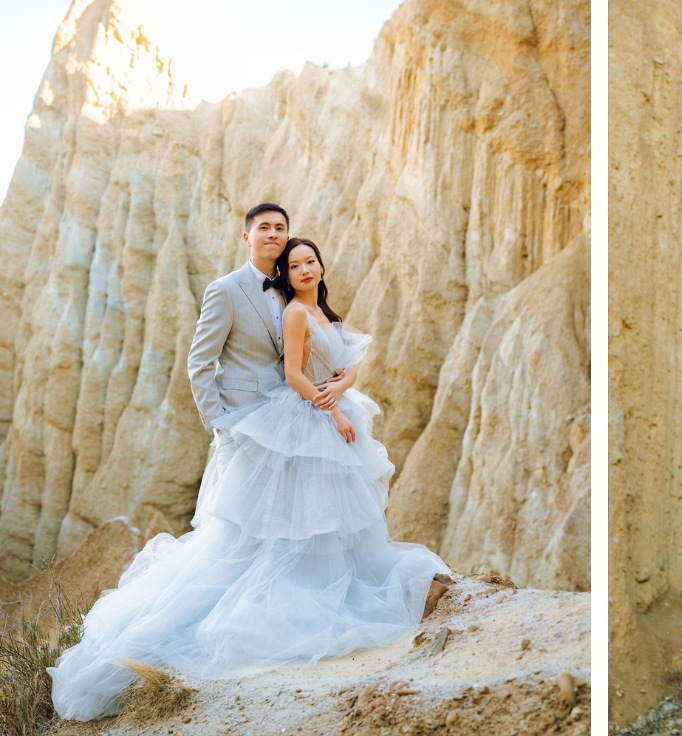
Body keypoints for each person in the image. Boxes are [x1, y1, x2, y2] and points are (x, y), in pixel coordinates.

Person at [48, 215, 448, 721]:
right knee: (243, 531)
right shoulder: (226, 289)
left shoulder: (293, 295)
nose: (276, 237)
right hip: (253, 427)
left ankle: (309, 592)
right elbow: (202, 362)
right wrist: (221, 424)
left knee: (302, 521)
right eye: (265, 229)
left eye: (283, 229)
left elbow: (325, 358)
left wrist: (340, 389)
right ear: (248, 237)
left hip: (295, 422)